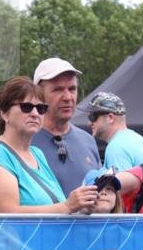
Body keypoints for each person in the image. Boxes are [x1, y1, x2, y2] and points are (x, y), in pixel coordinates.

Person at [0, 76, 104, 215]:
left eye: (41, 108)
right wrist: (67, 206)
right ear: (4, 113)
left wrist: (80, 207)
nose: (35, 114)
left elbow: (54, 207)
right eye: (26, 107)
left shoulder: (36, 154)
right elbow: (7, 214)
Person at [31, 58, 101, 195]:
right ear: (38, 94)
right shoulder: (23, 141)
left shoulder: (88, 140)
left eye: (72, 89)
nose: (68, 97)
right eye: (58, 89)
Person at [84, 92, 143, 172]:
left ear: (110, 118)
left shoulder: (116, 148)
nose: (89, 123)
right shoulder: (140, 140)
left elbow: (121, 184)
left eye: (93, 117)